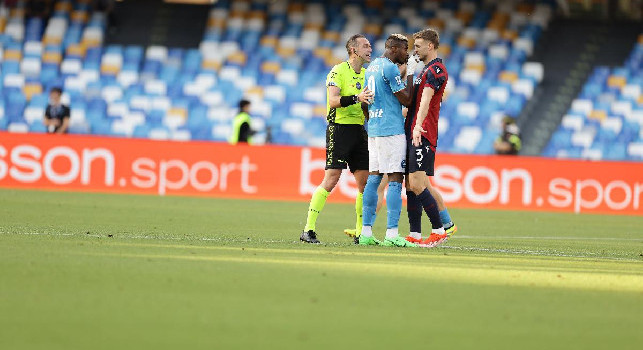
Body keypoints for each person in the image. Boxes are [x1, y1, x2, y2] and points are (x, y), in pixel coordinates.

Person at [300, 34, 374, 244]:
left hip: (359, 131)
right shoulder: (338, 70)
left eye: (370, 45)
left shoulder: (368, 75)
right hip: (339, 129)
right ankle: (308, 229)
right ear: (353, 50)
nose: (370, 48)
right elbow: (333, 101)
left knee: (365, 184)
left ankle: (361, 234)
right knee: (331, 178)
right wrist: (356, 98)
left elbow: (366, 106)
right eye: (365, 45)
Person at [359, 33, 418, 247]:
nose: (407, 53)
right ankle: (392, 234)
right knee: (395, 179)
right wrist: (410, 73)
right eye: (404, 49)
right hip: (391, 130)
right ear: (393, 49)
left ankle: (366, 232)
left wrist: (372, 121)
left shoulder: (372, 67)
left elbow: (365, 102)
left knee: (374, 179)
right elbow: (408, 99)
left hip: (374, 129)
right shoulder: (391, 68)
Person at [404, 28, 456, 247]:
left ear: (430, 46)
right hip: (413, 130)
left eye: (417, 46)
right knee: (410, 184)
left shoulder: (436, 70)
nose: (415, 50)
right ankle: (415, 234)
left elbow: (425, 101)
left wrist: (417, 128)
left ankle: (439, 230)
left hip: (422, 133)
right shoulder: (425, 70)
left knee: (417, 182)